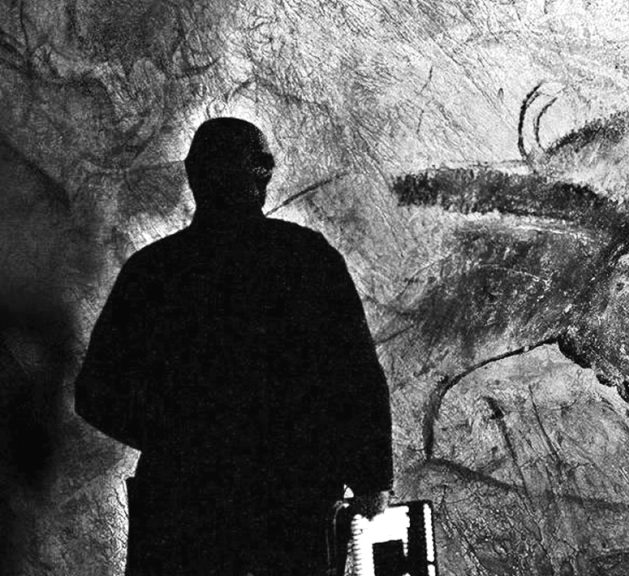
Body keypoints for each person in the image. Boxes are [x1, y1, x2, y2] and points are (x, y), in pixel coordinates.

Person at [74, 117, 393, 576]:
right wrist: (370, 481)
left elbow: (96, 393)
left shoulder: (152, 271)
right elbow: (356, 378)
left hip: (181, 506)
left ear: (192, 174)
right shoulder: (306, 258)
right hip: (292, 503)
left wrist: (181, 439)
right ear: (263, 172)